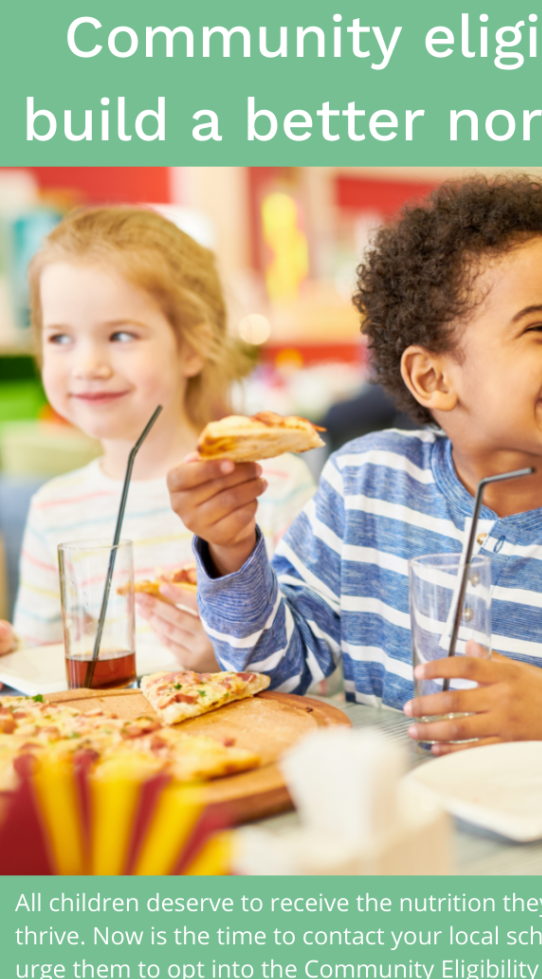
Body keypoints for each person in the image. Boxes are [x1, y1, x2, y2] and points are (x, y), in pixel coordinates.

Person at [168, 176, 542, 770]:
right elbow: (276, 672)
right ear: (433, 378)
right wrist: (230, 548)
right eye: (541, 328)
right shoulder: (366, 483)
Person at [0, 208, 314, 670]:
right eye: (60, 338)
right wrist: (12, 653)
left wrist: (230, 655)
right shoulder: (52, 508)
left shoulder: (273, 485)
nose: (87, 364)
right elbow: (42, 672)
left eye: (121, 335)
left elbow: (322, 670)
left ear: (191, 348)